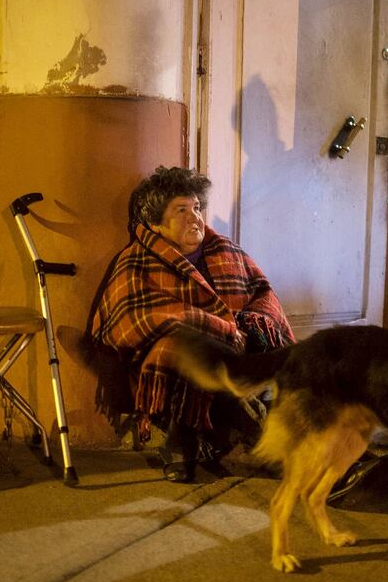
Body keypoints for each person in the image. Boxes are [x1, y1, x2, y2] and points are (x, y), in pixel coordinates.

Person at [90, 166, 295, 481]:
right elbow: (132, 320)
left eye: (197, 207)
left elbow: (263, 293)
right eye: (181, 210)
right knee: (184, 346)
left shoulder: (225, 250)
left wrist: (252, 322)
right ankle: (252, 445)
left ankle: (267, 441)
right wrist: (220, 328)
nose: (194, 217)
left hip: (239, 351)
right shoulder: (137, 260)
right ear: (157, 223)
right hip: (174, 366)